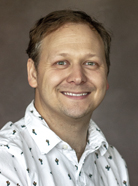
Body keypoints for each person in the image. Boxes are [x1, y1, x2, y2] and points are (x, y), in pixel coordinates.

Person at [0, 10, 129, 186]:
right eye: (61, 62)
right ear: (33, 73)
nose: (77, 77)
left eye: (90, 63)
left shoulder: (114, 162)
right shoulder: (7, 159)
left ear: (105, 76)